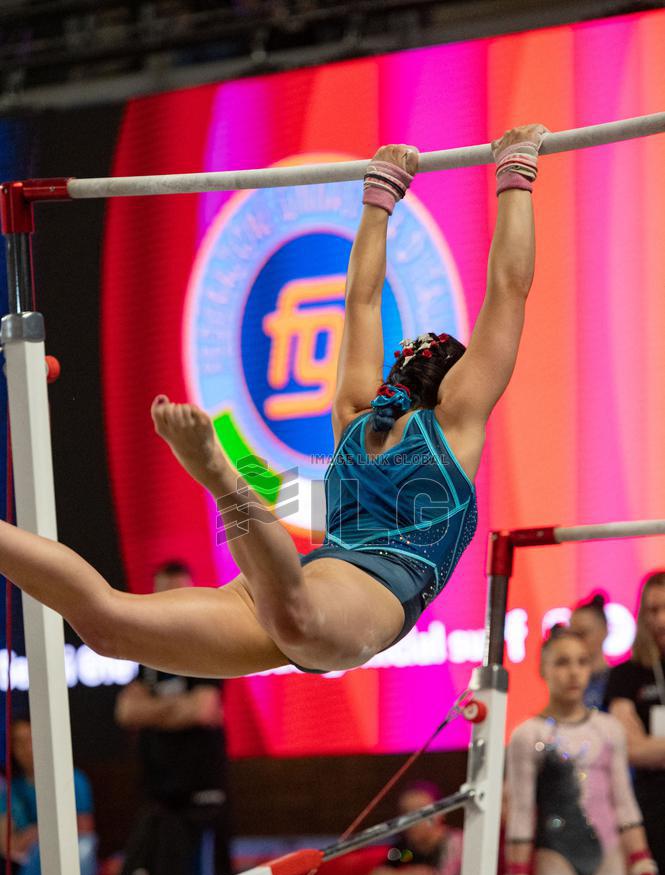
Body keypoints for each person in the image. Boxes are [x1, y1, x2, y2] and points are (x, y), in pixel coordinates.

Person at [0, 124, 545, 679]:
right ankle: (220, 477)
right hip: (350, 595)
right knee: (296, 621)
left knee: (107, 626)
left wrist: (381, 195)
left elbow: (361, 300)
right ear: (450, 385)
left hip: (306, 577)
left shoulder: (356, 415)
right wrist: (515, 172)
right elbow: (509, 289)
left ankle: (225, 488)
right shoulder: (451, 425)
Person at [505, 628, 660, 875]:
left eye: (581, 662)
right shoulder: (528, 735)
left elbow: (624, 805)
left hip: (607, 856)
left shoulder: (608, 730)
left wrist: (642, 869)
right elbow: (522, 813)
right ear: (543, 670)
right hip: (555, 854)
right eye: (561, 663)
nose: (573, 672)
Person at [111, 561, 242, 875]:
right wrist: (172, 711)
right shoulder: (148, 655)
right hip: (159, 804)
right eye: (162, 594)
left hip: (203, 803)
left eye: (179, 594)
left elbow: (203, 709)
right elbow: (125, 711)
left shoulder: (208, 647)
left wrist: (152, 712)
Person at [605, 571, 665, 875]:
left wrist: (651, 745)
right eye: (654, 610)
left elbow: (647, 745)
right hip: (652, 811)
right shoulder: (626, 676)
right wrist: (644, 746)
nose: (661, 619)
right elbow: (633, 749)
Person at [0, 716, 95, 875]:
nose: (27, 749)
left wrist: (36, 833)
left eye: (31, 740)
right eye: (19, 742)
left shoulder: (72, 779)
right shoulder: (8, 788)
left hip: (64, 863)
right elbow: (7, 843)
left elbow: (84, 830)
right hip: (20, 870)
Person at [569, 594, 610, 710]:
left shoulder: (619, 682)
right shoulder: (568, 683)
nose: (576, 641)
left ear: (604, 631)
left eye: (582, 633)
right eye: (572, 634)